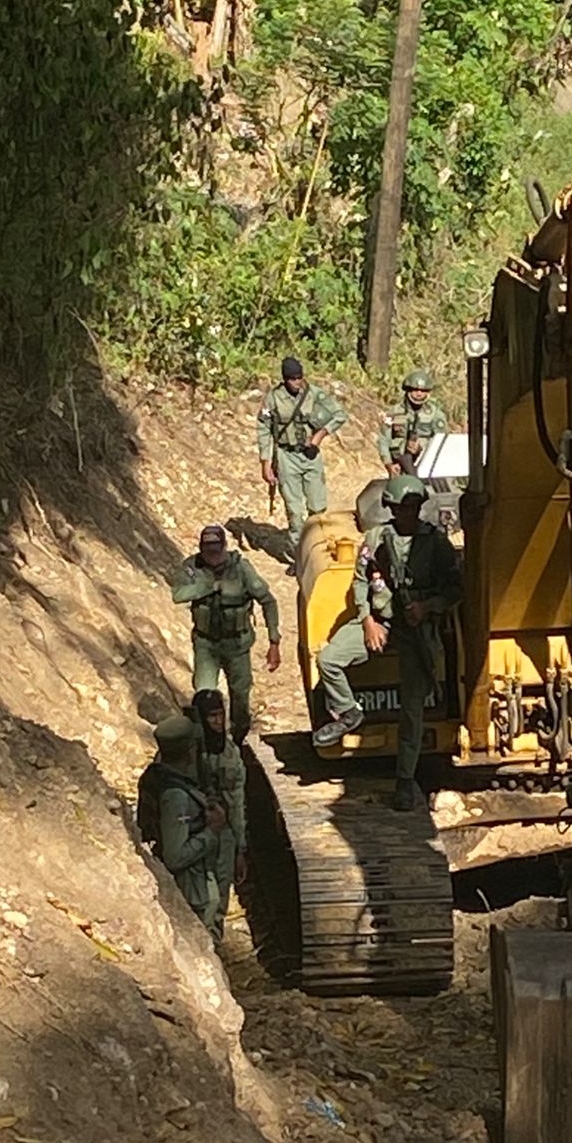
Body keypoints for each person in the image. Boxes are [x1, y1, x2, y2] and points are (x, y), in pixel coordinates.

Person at [313, 474, 461, 809]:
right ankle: (349, 713)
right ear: (390, 508)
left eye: (412, 507)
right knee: (329, 659)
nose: (406, 513)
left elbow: (455, 589)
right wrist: (366, 620)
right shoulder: (377, 538)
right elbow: (360, 580)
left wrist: (427, 607)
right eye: (400, 507)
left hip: (417, 630)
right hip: (380, 621)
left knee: (412, 710)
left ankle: (405, 780)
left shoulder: (436, 543)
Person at [169, 524, 280, 744]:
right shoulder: (192, 567)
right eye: (208, 550)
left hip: (237, 644)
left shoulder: (241, 569)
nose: (213, 556)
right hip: (206, 643)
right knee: (204, 695)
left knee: (240, 695)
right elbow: (178, 594)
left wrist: (274, 640)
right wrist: (208, 587)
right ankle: (207, 741)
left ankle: (238, 740)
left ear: (224, 547)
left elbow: (267, 600)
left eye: (216, 550)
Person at [257, 355, 348, 570]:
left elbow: (340, 414)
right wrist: (265, 461)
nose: (297, 382)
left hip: (310, 456)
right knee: (294, 510)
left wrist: (321, 434)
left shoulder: (314, 394)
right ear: (285, 379)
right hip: (286, 456)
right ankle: (300, 558)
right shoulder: (273, 399)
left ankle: (320, 552)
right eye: (292, 379)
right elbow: (263, 428)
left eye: (300, 378)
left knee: (318, 508)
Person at [138, 715, 224, 942]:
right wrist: (211, 832)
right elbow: (175, 856)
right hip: (191, 889)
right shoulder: (175, 796)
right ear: (189, 750)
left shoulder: (161, 775)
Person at [189, 689, 247, 921]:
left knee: (220, 897)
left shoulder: (230, 752)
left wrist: (240, 850)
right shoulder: (187, 752)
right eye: (211, 716)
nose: (218, 721)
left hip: (223, 834)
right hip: (194, 832)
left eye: (220, 714)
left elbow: (237, 801)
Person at [377, 370, 447, 476]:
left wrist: (421, 447)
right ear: (408, 390)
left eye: (423, 391)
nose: (419, 394)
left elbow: (442, 442)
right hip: (398, 465)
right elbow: (383, 439)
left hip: (425, 466)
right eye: (415, 390)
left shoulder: (435, 414)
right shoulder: (394, 412)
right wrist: (388, 463)